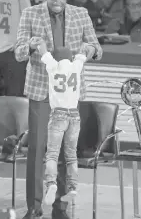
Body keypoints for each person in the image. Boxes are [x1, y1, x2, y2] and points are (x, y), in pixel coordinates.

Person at [15, 0, 102, 219]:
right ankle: (34, 209)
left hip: (69, 96)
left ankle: (60, 210)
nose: (57, 3)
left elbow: (97, 48)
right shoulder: (30, 14)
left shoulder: (81, 14)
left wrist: (90, 49)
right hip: (41, 92)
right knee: (37, 149)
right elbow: (18, 52)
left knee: (65, 150)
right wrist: (31, 46)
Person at [36, 44, 86, 206]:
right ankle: (72, 187)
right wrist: (82, 49)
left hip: (58, 114)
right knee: (71, 156)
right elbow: (83, 54)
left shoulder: (53, 66)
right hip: (74, 115)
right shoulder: (76, 66)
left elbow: (43, 52)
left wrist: (41, 45)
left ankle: (51, 184)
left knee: (52, 154)